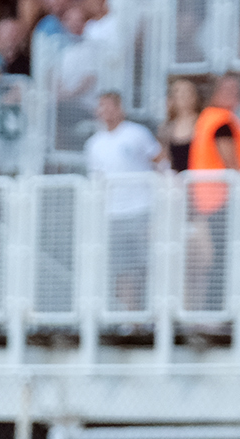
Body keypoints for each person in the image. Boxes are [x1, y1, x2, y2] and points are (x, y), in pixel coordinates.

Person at [188, 75, 240, 312]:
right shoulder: (221, 121)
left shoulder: (207, 119)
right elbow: (231, 161)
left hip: (209, 200)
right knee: (223, 260)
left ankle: (214, 311)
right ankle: (216, 311)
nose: (235, 94)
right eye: (228, 90)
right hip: (224, 200)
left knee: (218, 258)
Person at [85, 91, 163, 312]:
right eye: (101, 106)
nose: (105, 111)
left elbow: (159, 161)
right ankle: (131, 316)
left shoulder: (137, 134)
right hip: (114, 214)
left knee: (146, 264)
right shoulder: (94, 144)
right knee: (122, 267)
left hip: (141, 209)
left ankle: (152, 311)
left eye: (109, 106)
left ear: (120, 108)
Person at [158, 77, 200, 173]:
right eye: (178, 92)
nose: (183, 95)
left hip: (200, 178)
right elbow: (164, 158)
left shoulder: (203, 122)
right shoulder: (166, 128)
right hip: (177, 181)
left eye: (187, 91)